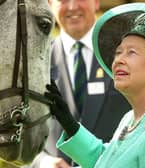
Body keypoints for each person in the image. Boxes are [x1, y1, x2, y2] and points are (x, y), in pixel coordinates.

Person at [44, 2, 145, 168]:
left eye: (131, 52)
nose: (118, 60)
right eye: (118, 52)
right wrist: (71, 126)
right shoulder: (130, 118)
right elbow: (106, 161)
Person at [26, 0, 131, 168]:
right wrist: (42, 162)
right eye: (63, 0)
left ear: (96, 2)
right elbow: (19, 135)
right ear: (49, 4)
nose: (73, 6)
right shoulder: (33, 63)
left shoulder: (127, 55)